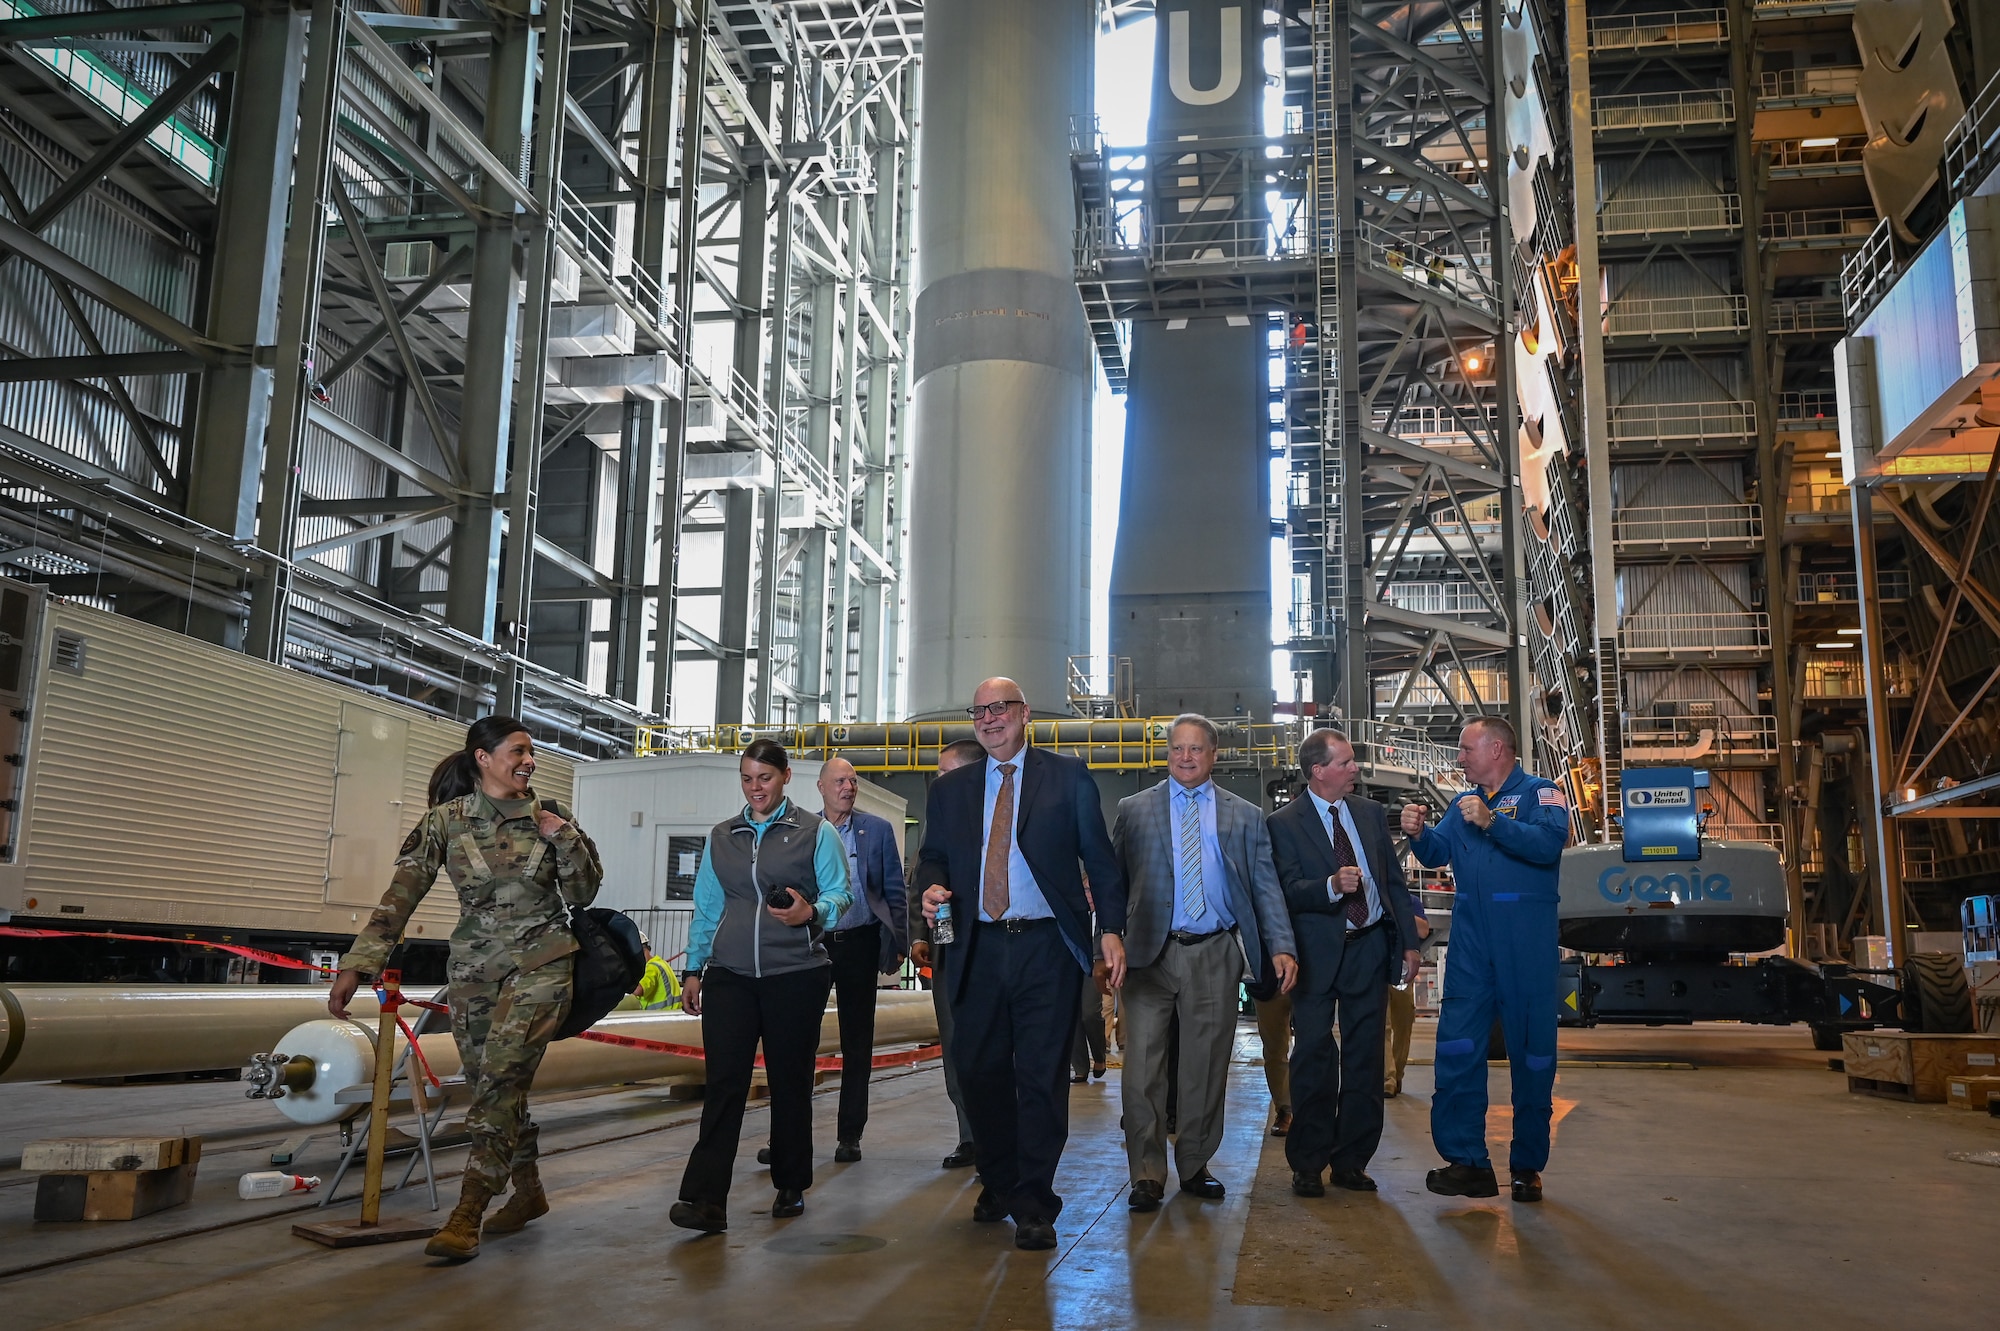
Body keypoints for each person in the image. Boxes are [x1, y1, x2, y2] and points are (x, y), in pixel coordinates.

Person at [326, 716, 602, 1261]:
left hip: (543, 964)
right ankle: (528, 1192)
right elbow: (400, 895)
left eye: (531, 753)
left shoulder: (551, 816)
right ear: (483, 757)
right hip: (475, 974)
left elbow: (585, 891)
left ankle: (467, 1210)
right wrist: (357, 964)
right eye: (518, 751)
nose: (528, 761)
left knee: (500, 1079)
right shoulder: (443, 823)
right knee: (489, 1086)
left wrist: (562, 838)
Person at [918, 676, 1127, 1252]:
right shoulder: (950, 791)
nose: (989, 719)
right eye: (979, 710)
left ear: (1024, 713)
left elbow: (1100, 861)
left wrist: (1110, 930)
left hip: (1045, 947)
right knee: (979, 1073)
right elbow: (933, 859)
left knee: (1039, 1077)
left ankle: (1033, 1201)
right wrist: (932, 889)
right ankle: (1000, 1177)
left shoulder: (1067, 778)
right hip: (975, 948)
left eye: (999, 708)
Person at [1114, 713, 1298, 1212]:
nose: (1186, 757)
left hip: (1215, 950)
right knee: (1142, 1072)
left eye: (1197, 749)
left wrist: (1280, 945)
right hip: (1148, 954)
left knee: (1205, 1067)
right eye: (1178, 748)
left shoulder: (1244, 815)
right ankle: (1146, 1174)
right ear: (1167, 753)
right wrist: (1103, 948)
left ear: (1214, 755)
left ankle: (1194, 1164)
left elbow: (1265, 887)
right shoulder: (1134, 811)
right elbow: (1113, 889)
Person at [669, 740, 852, 1234]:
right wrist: (694, 968)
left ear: (786, 777)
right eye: (747, 779)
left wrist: (810, 912)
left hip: (795, 972)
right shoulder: (722, 836)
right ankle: (706, 1200)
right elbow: (708, 906)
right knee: (724, 1084)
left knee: (790, 1082)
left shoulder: (817, 832)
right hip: (730, 974)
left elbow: (841, 894)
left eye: (765, 779)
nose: (756, 789)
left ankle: (790, 1184)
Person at [1403, 716, 1568, 1204]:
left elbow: (1547, 845)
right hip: (1473, 942)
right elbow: (1438, 851)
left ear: (1497, 749)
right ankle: (1467, 1162)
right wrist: (1418, 832)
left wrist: (1494, 823)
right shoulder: (1461, 804)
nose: (1458, 758)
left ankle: (1526, 1166)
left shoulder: (1542, 793)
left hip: (1526, 942)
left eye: (1465, 749)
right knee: (1457, 1047)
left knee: (1532, 1054)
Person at [1267, 728, 1420, 1198]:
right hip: (1315, 954)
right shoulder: (1284, 823)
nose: (1356, 768)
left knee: (1364, 1059)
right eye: (1347, 762)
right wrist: (1332, 886)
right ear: (1319, 771)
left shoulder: (1371, 814)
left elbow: (1393, 882)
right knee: (1313, 1055)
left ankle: (1352, 1160)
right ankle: (1308, 1164)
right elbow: (1287, 889)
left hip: (1370, 948)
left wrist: (1410, 943)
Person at [817, 756, 909, 1162]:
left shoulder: (878, 830)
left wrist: (899, 943)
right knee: (797, 1039)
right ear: (821, 787)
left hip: (860, 942)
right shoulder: (806, 831)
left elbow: (895, 890)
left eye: (852, 781)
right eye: (839, 781)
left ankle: (849, 1134)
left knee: (858, 1041)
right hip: (814, 945)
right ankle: (788, 1132)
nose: (848, 788)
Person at [910, 738, 985, 1168]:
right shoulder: (938, 822)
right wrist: (921, 935)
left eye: (944, 773)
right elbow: (923, 877)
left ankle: (999, 1135)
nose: (937, 781)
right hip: (948, 945)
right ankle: (969, 1135)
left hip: (996, 949)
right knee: (954, 1041)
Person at [1383, 901, 1432, 1097]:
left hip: (1403, 972)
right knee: (1382, 1026)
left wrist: (1399, 911)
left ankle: (1397, 1073)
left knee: (1403, 1025)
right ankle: (1388, 1077)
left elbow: (1423, 931)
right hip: (1378, 968)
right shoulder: (1374, 896)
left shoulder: (1410, 902)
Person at [1254, 994, 1293, 1135]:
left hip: (1310, 977)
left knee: (1313, 1045)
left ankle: (1312, 1109)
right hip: (1269, 981)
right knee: (1274, 1049)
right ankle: (1285, 1110)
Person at [631, 935, 681, 1011]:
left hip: (662, 1015)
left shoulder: (650, 967)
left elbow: (638, 990)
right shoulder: (660, 963)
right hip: (673, 1013)